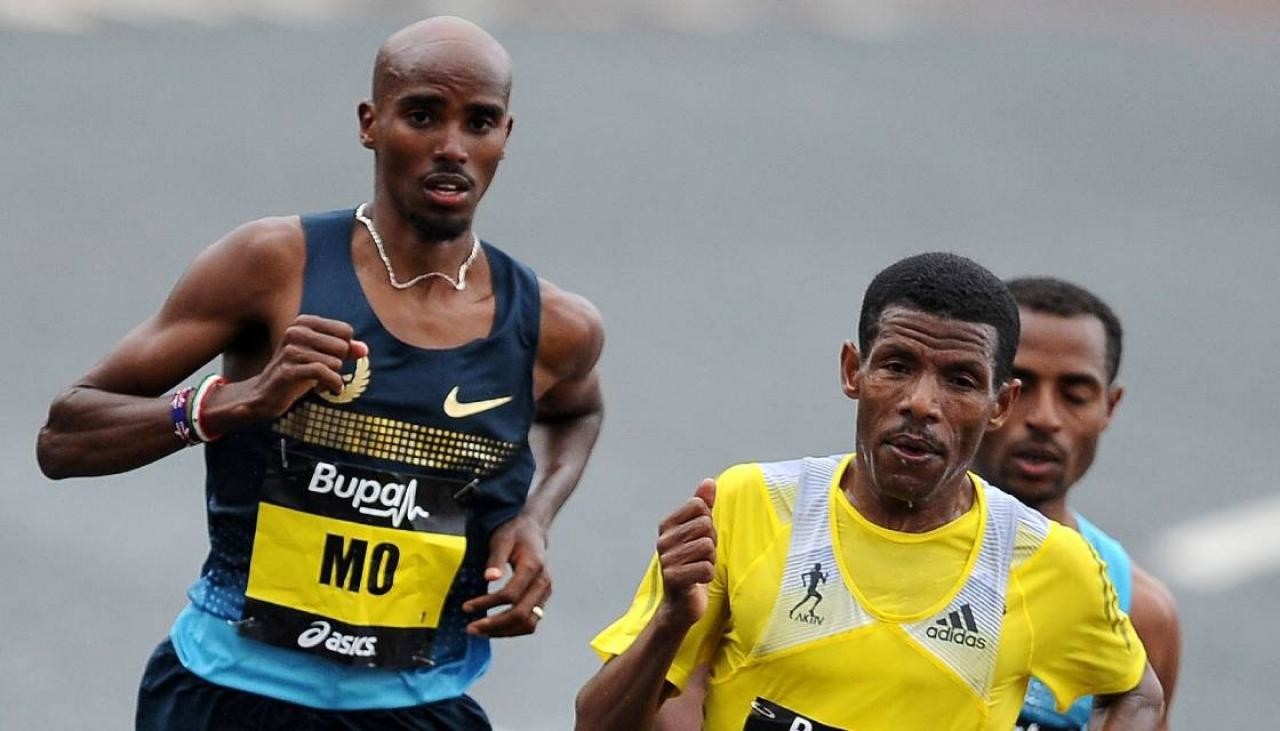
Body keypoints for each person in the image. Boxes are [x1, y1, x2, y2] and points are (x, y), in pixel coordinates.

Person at [36, 16, 604, 730]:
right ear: (371, 123)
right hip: (227, 695)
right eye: (422, 115)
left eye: (479, 122)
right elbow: (64, 436)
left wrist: (534, 517)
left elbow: (577, 411)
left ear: (506, 137)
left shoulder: (554, 325)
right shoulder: (272, 265)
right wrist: (234, 402)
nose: (452, 147)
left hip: (419, 708)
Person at [576, 253, 1162, 730]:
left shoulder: (1049, 562)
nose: (921, 404)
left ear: (999, 404)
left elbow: (1138, 695)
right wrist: (670, 622)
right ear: (853, 370)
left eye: (960, 380)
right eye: (898, 366)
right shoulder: (746, 504)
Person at [973, 277, 1180, 730]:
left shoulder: (1139, 612)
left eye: (1076, 394)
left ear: (1109, 406)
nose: (1045, 418)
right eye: (1020, 386)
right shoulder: (864, 550)